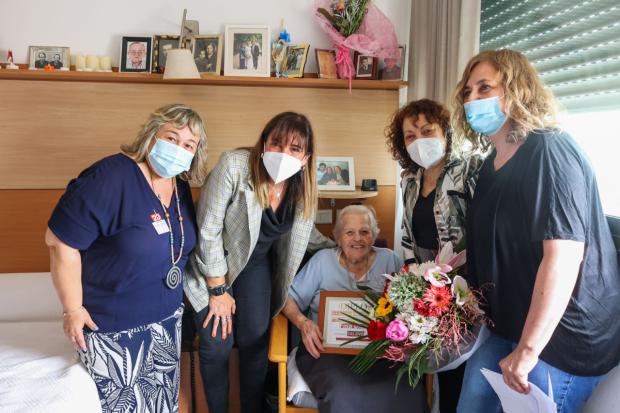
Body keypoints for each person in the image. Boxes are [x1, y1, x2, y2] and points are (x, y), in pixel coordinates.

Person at [453, 49, 620, 413]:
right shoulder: (490, 165)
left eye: (485, 88)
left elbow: (562, 259)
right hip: (507, 322)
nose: (473, 100)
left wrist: (527, 351)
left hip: (560, 336)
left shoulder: (551, 152)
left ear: (518, 91)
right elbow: (491, 244)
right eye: (468, 93)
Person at [45, 103, 209, 412]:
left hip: (166, 328)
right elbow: (58, 242)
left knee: (162, 407)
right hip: (114, 333)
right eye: (171, 138)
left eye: (189, 144)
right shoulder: (111, 177)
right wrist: (72, 309)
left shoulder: (179, 186)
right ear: (151, 137)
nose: (178, 149)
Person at [184, 112, 332, 413]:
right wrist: (217, 290)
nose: (283, 153)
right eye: (276, 143)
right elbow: (208, 229)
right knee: (217, 343)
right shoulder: (234, 165)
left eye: (294, 148)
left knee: (255, 344)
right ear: (263, 144)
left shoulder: (301, 187)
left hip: (256, 267)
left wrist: (342, 244)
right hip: (212, 264)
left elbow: (306, 231)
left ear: (305, 157)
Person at [385, 98, 483, 412]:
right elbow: (406, 234)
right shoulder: (409, 179)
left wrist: (464, 288)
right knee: (442, 369)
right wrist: (415, 282)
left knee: (467, 372)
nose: (419, 141)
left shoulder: (470, 168)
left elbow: (485, 230)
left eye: (428, 131)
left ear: (445, 132)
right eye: (411, 136)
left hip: (467, 287)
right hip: (429, 286)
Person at [283, 205, 428, 413]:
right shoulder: (322, 261)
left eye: (365, 232)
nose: (357, 239)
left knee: (405, 388)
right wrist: (303, 323)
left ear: (374, 235)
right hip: (326, 352)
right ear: (338, 237)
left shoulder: (390, 260)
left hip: (379, 353)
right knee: (342, 389)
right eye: (349, 232)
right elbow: (288, 299)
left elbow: (409, 305)